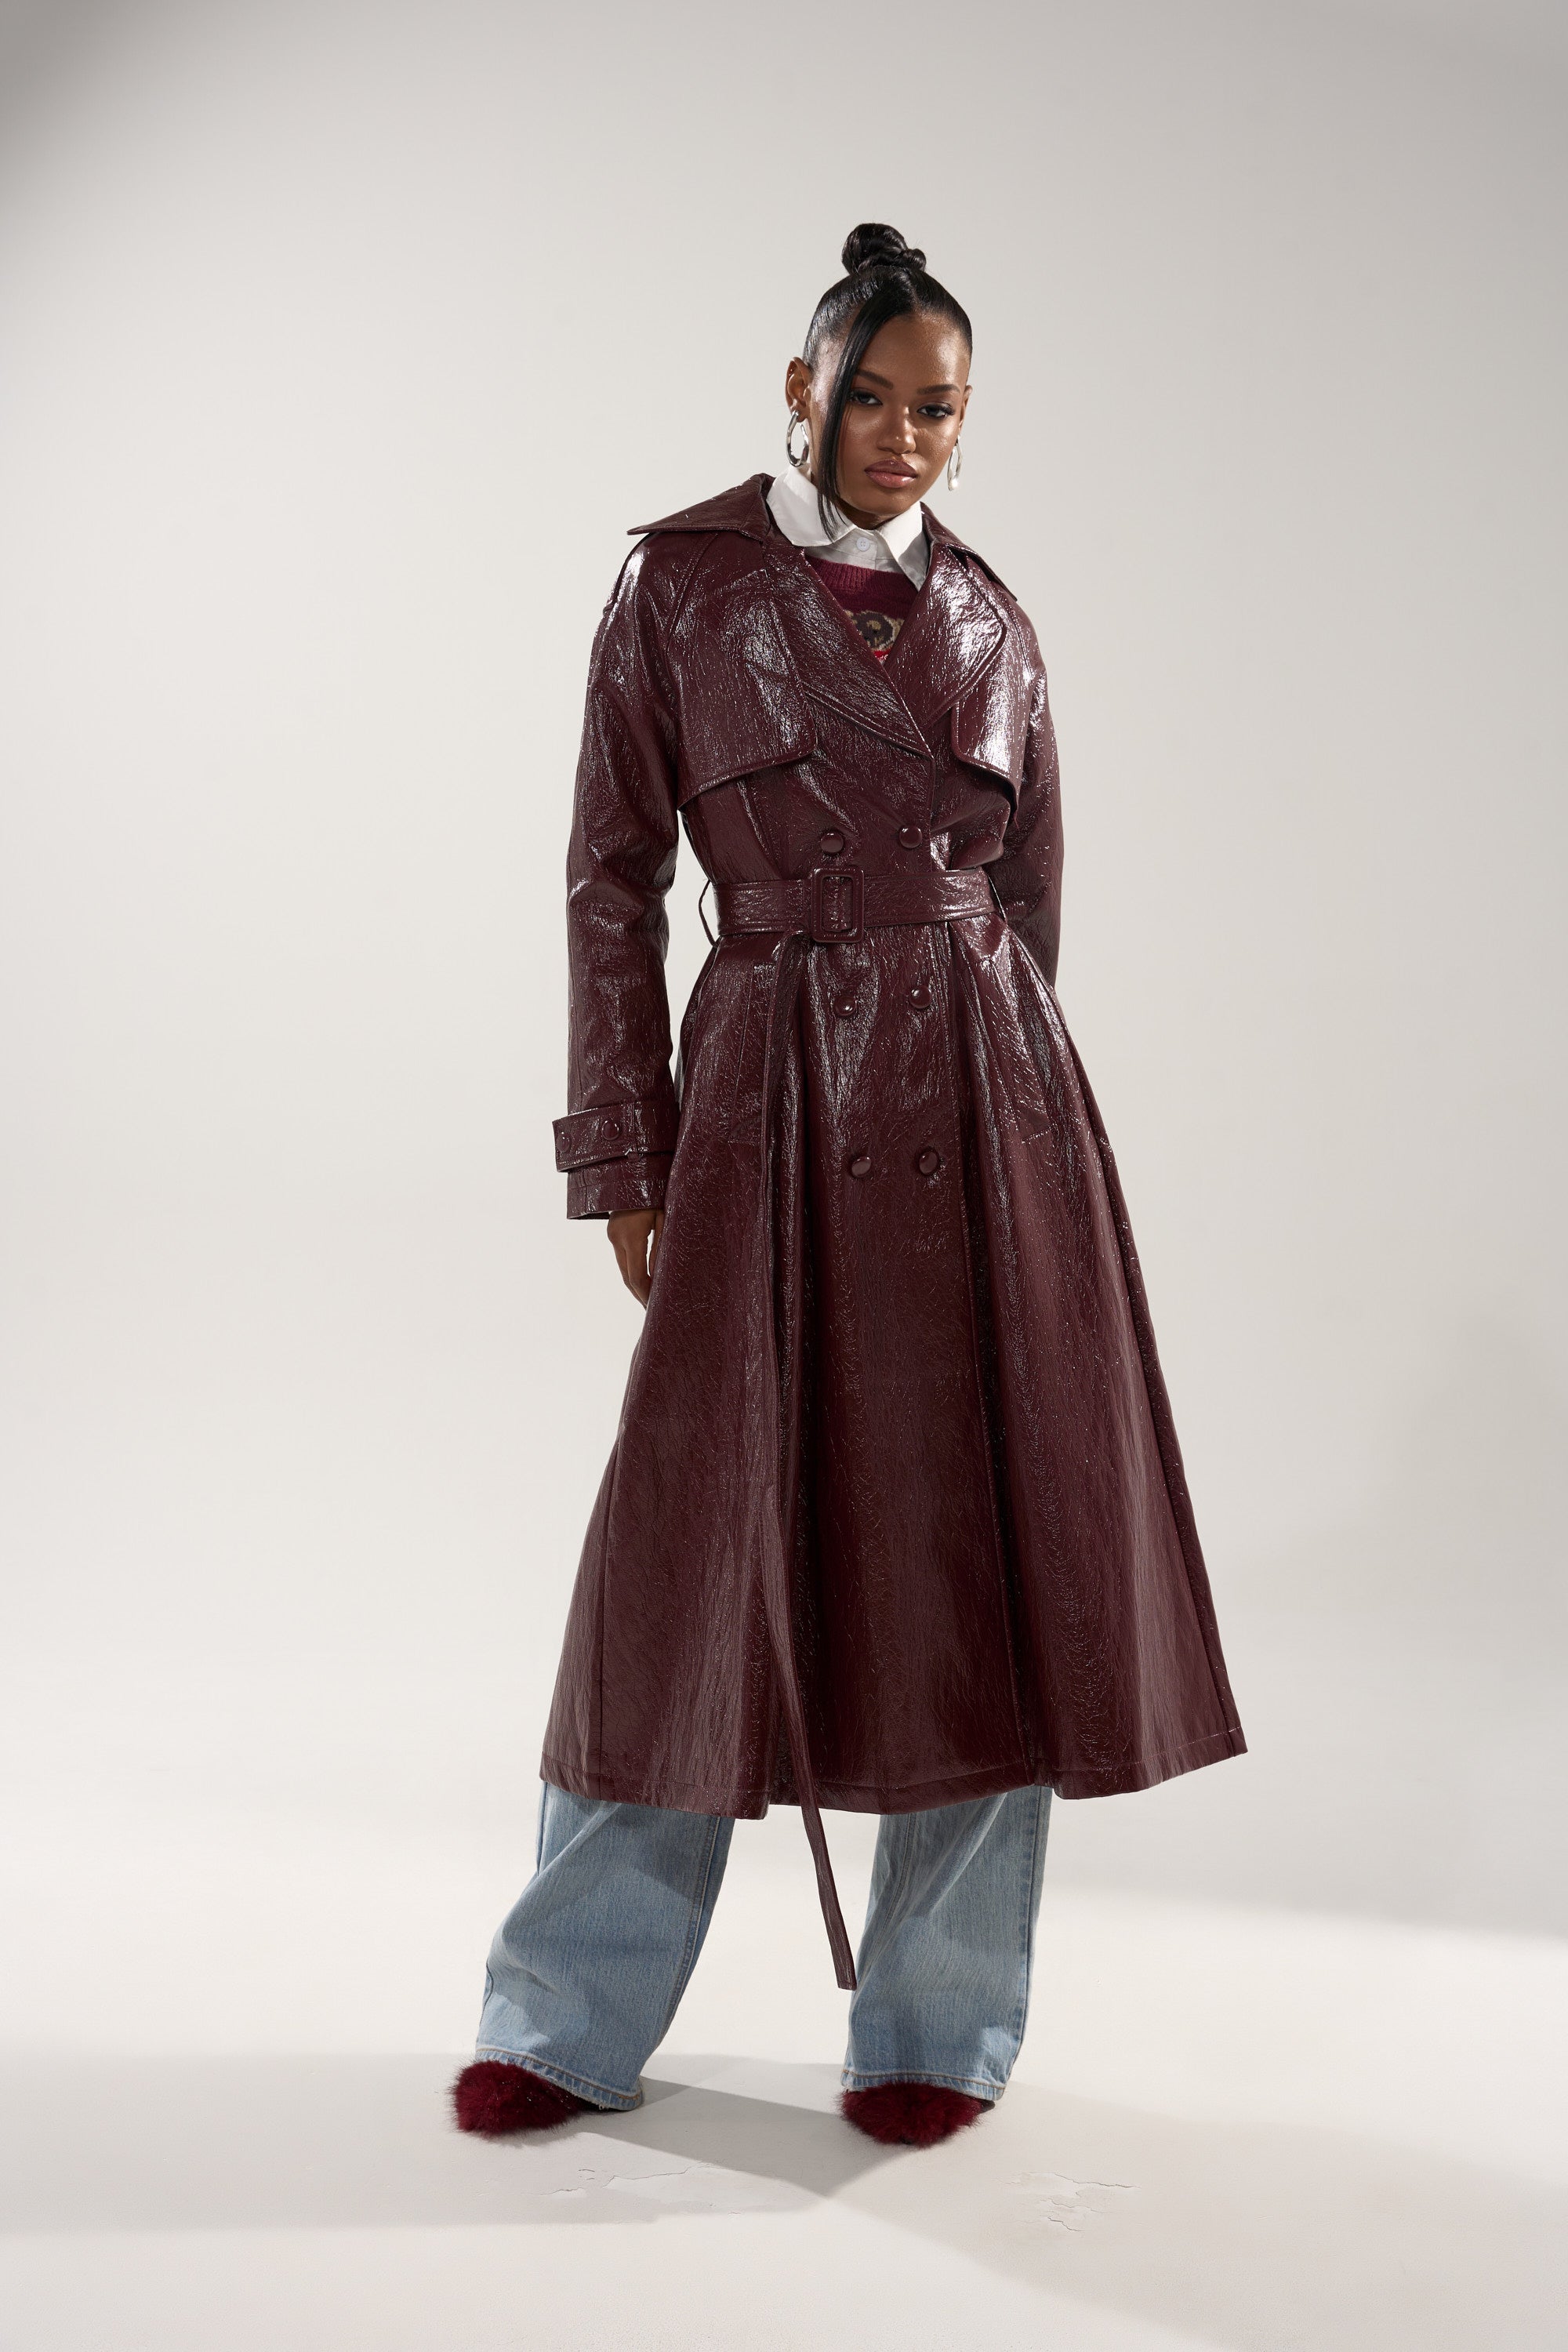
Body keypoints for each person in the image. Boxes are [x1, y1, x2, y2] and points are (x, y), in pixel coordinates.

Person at [452, 224, 1246, 2153]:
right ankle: (566, 2015)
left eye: (938, 407)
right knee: (688, 1542)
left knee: (985, 1533)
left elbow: (1028, 907)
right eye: (871, 395)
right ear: (797, 390)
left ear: (969, 424)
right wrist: (620, 1143)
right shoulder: (678, 585)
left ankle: (940, 2025)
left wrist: (1006, 1108)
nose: (902, 434)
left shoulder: (993, 619)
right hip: (762, 1094)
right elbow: (607, 878)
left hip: (991, 1106)